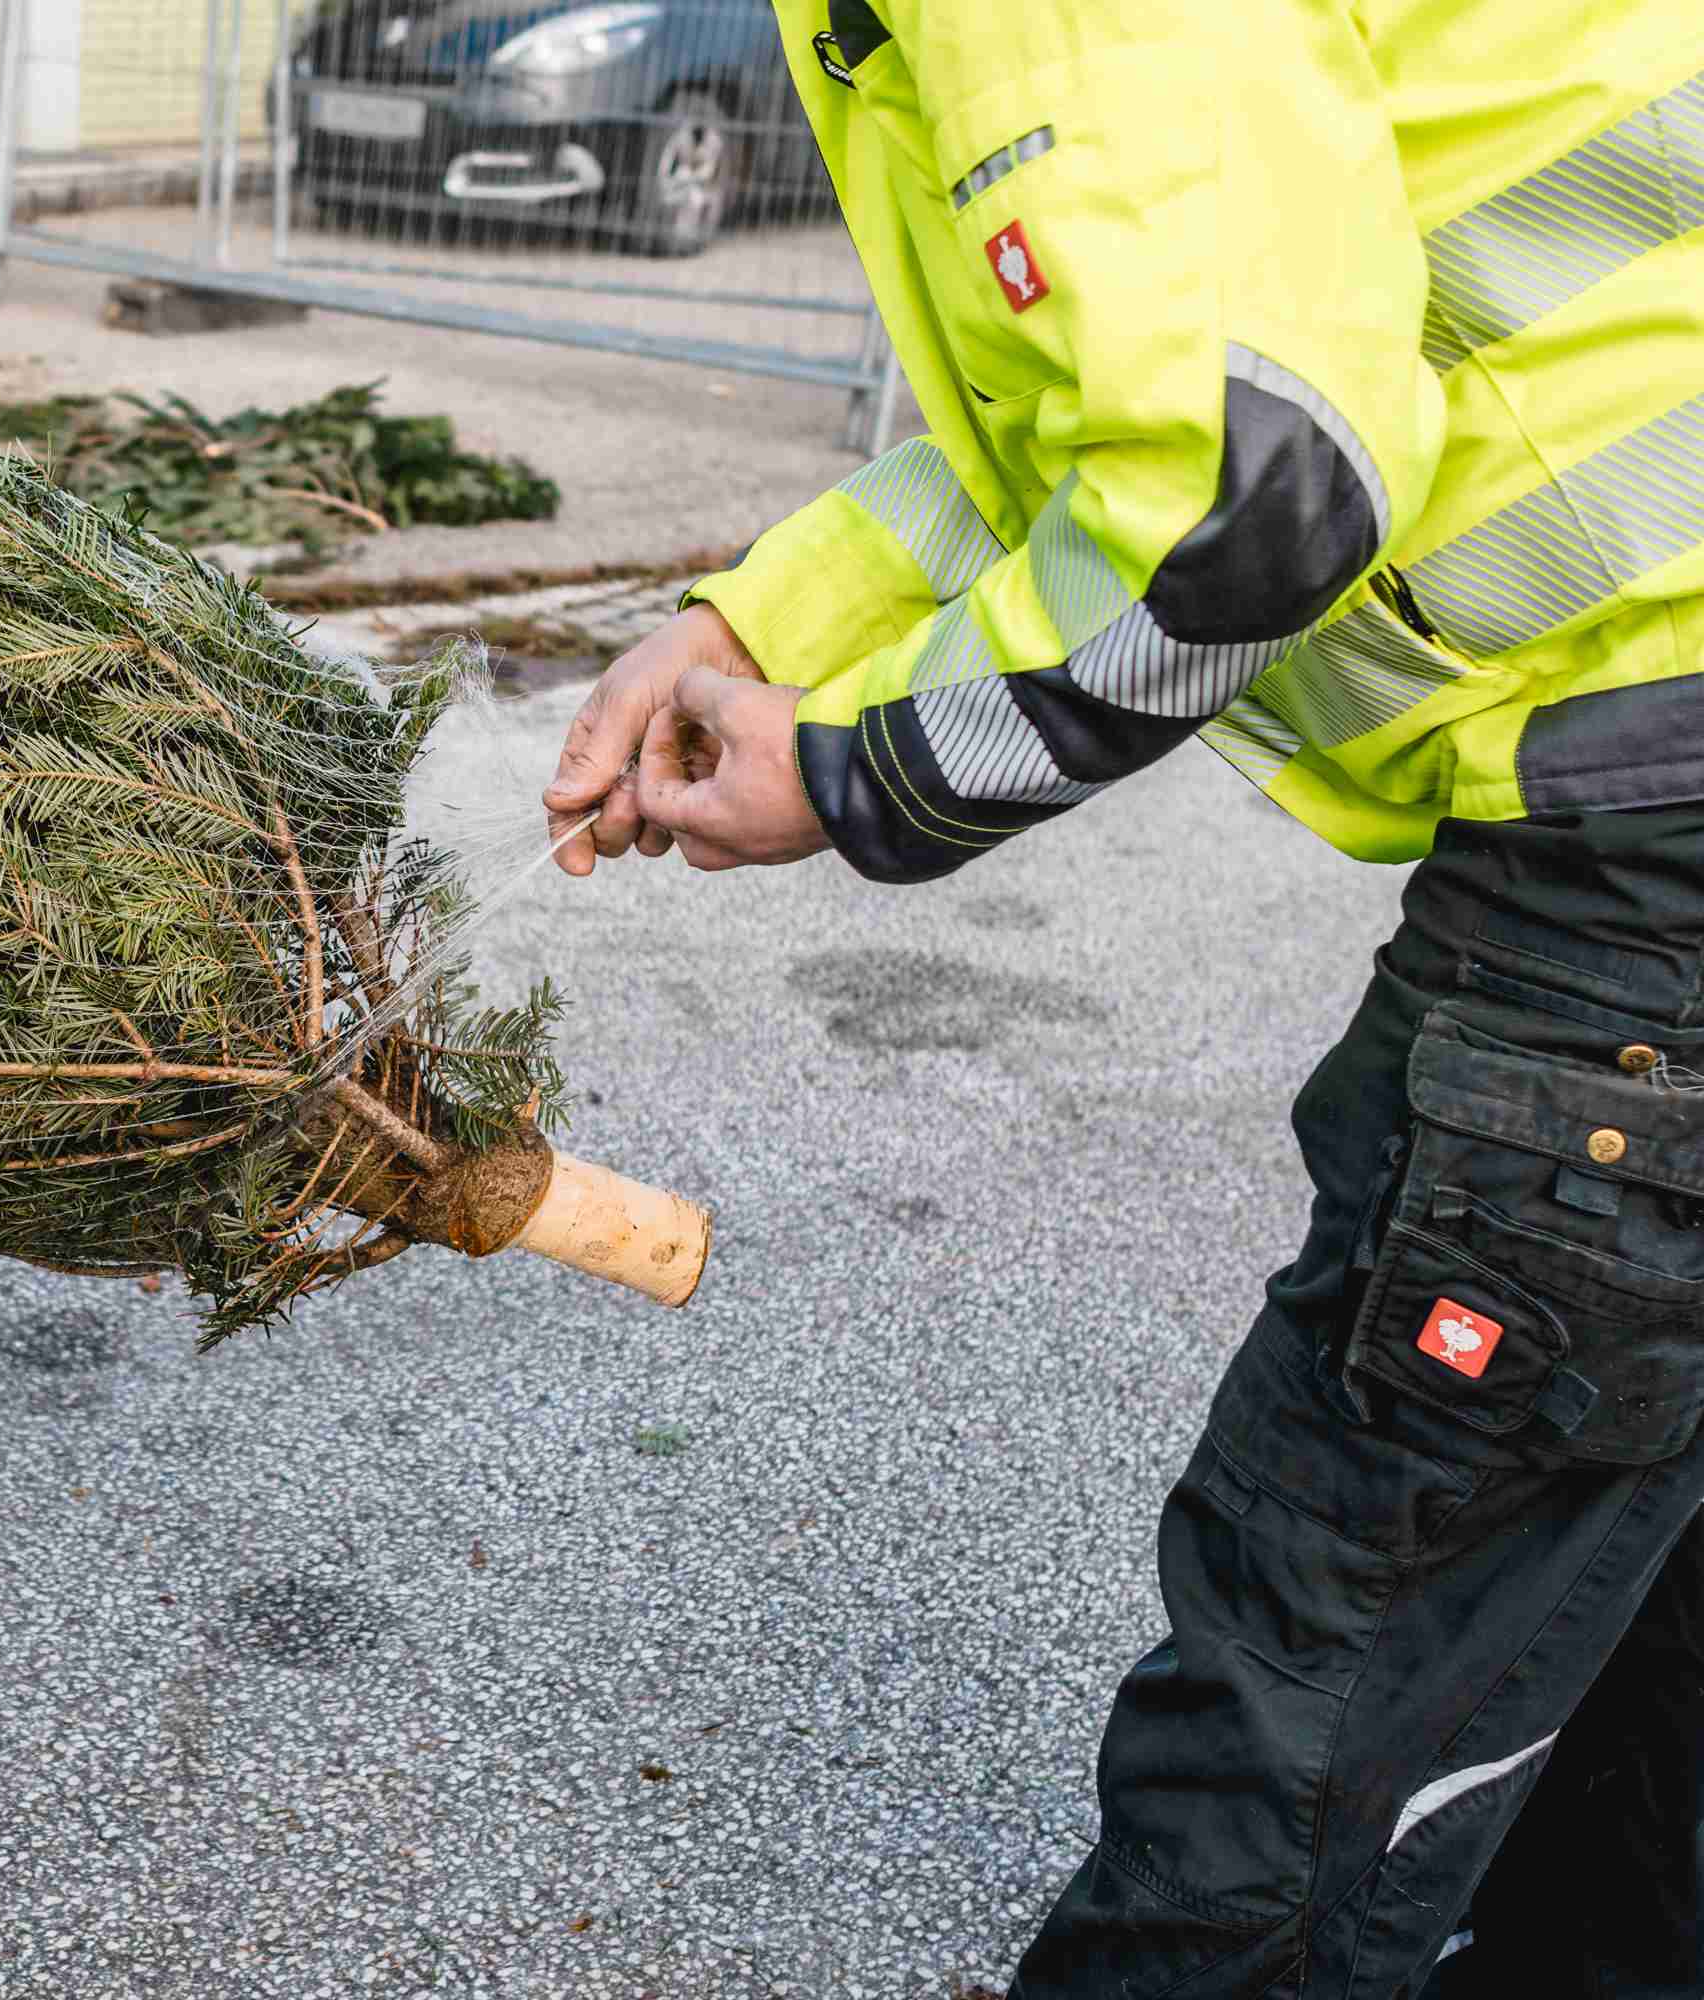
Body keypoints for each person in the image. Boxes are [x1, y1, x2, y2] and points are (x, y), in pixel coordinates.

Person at [541, 1, 1704, 1992]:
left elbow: (1255, 492)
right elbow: (1106, 414)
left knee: (1293, 1758)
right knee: (1625, 1663)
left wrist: (861, 772)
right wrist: (769, 614)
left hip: (1643, 874)